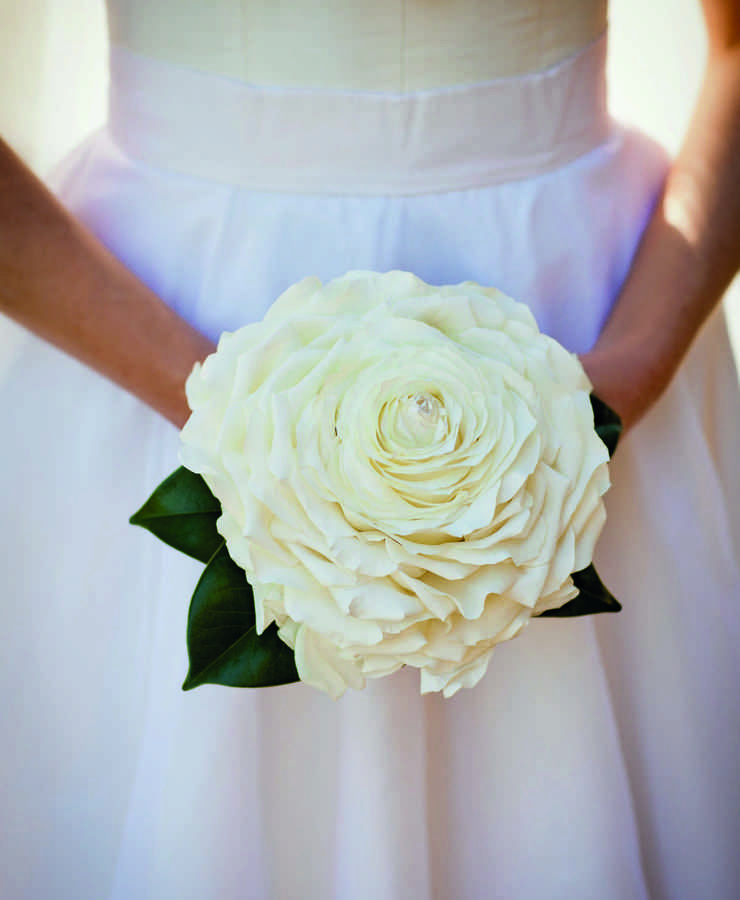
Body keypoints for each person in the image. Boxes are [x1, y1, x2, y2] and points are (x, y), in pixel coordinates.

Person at [1, 1, 739, 897]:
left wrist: (622, 377)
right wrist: (242, 417)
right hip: (143, 317)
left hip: (589, 317)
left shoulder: (609, 376)